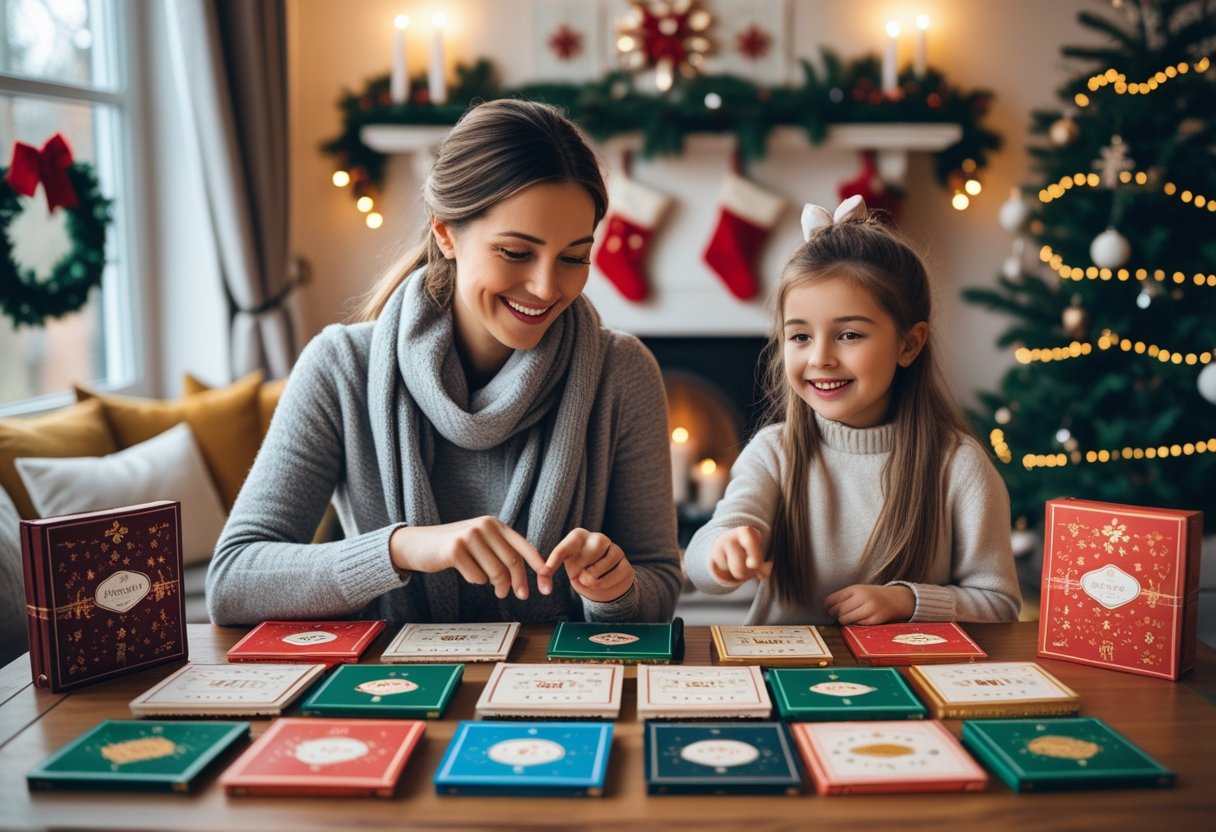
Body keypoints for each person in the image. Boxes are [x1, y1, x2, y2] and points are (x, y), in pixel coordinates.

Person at [207, 99, 682, 626]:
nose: (548, 288)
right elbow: (233, 581)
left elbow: (658, 579)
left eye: (574, 257)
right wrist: (403, 548)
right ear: (445, 232)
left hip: (555, 691)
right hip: (385, 691)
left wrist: (614, 590)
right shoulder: (340, 367)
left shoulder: (622, 371)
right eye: (516, 252)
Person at [683, 196, 1021, 626]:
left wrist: (908, 602)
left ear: (909, 344)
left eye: (848, 335)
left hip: (908, 684)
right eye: (800, 337)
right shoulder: (773, 453)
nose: (821, 357)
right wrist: (721, 550)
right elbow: (702, 555)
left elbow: (999, 605)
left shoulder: (959, 466)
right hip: (783, 678)